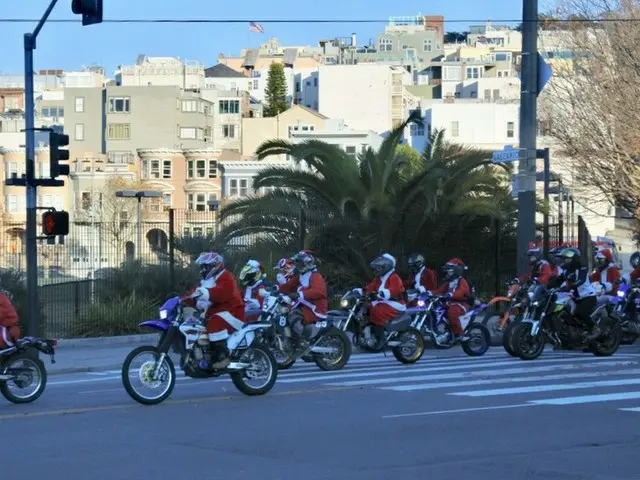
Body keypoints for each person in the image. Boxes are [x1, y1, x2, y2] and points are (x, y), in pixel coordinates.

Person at [181, 251, 245, 370]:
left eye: (206, 267)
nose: (203, 270)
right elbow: (196, 295)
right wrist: (182, 300)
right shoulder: (207, 282)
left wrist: (205, 293)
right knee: (197, 326)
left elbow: (221, 293)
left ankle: (222, 357)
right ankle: (203, 355)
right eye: (202, 267)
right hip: (217, 312)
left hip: (233, 312)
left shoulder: (226, 276)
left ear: (215, 265)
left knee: (214, 323)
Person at [276, 250, 328, 351]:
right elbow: (288, 286)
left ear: (307, 263)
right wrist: (275, 288)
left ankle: (303, 340)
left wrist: (298, 294)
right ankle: (292, 340)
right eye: (297, 263)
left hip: (315, 308)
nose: (297, 265)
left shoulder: (315, 276)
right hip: (304, 305)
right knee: (285, 314)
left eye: (300, 263)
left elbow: (318, 291)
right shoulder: (301, 275)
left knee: (293, 316)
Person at [364, 253, 406, 349]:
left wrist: (383, 293)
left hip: (395, 303)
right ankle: (369, 331)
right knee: (366, 307)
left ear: (386, 266)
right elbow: (370, 287)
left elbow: (396, 289)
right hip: (383, 302)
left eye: (379, 268)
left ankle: (381, 339)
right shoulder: (379, 278)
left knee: (377, 311)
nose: (377, 270)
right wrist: (361, 291)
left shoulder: (394, 277)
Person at [557, 247, 599, 340]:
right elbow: (557, 281)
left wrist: (568, 287)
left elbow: (581, 280)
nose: (565, 261)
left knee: (580, 312)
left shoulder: (582, 268)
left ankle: (594, 328)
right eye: (564, 259)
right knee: (565, 312)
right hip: (575, 298)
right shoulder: (565, 270)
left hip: (588, 297)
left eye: (568, 258)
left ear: (574, 258)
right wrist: (547, 285)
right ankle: (573, 336)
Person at [431, 258, 470, 342]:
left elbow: (461, 291)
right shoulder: (449, 282)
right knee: (437, 310)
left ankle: (459, 333)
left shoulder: (461, 281)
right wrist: (428, 293)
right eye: (447, 270)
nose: (448, 272)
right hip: (450, 303)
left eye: (450, 270)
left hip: (461, 304)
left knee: (452, 312)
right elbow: (439, 291)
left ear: (456, 270)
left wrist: (451, 294)